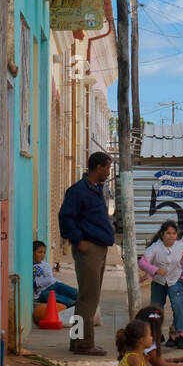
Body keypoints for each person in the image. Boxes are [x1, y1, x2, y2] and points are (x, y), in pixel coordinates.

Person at [57, 152, 115, 355]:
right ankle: (84, 343)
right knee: (88, 298)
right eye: (107, 167)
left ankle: (76, 340)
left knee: (86, 297)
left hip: (98, 247)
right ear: (98, 167)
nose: (108, 172)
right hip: (88, 249)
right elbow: (65, 216)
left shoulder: (96, 189)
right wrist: (77, 239)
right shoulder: (79, 191)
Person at [142, 220, 183, 349]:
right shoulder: (155, 247)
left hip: (175, 280)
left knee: (178, 305)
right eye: (168, 233)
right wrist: (155, 270)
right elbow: (142, 263)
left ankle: (178, 334)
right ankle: (156, 333)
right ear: (162, 234)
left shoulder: (181, 246)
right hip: (158, 281)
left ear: (177, 234)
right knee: (155, 309)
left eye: (174, 233)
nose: (171, 236)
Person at [32, 240, 78, 309]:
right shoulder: (28, 266)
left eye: (44, 252)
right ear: (32, 252)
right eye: (40, 252)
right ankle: (72, 303)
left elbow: (49, 279)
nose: (42, 255)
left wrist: (36, 283)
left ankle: (84, 298)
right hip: (42, 292)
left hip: (54, 285)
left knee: (71, 292)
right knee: (50, 296)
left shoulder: (45, 265)